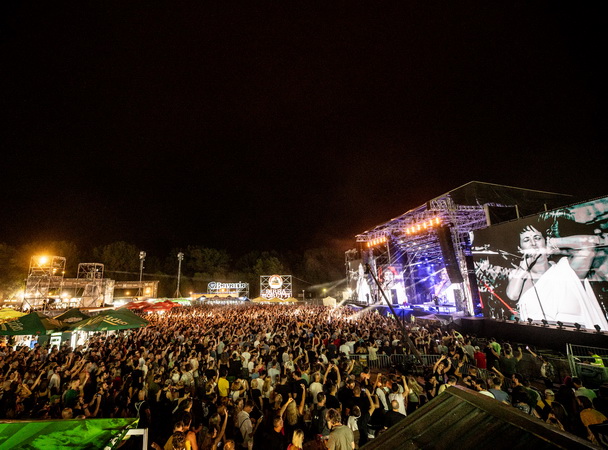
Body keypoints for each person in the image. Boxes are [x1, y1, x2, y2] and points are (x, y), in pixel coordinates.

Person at [506, 225, 608, 330]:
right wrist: (524, 266)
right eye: (526, 240)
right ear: (520, 248)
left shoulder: (565, 269)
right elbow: (512, 295)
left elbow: (589, 243)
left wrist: (554, 242)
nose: (533, 243)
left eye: (537, 238)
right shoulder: (518, 276)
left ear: (545, 242)